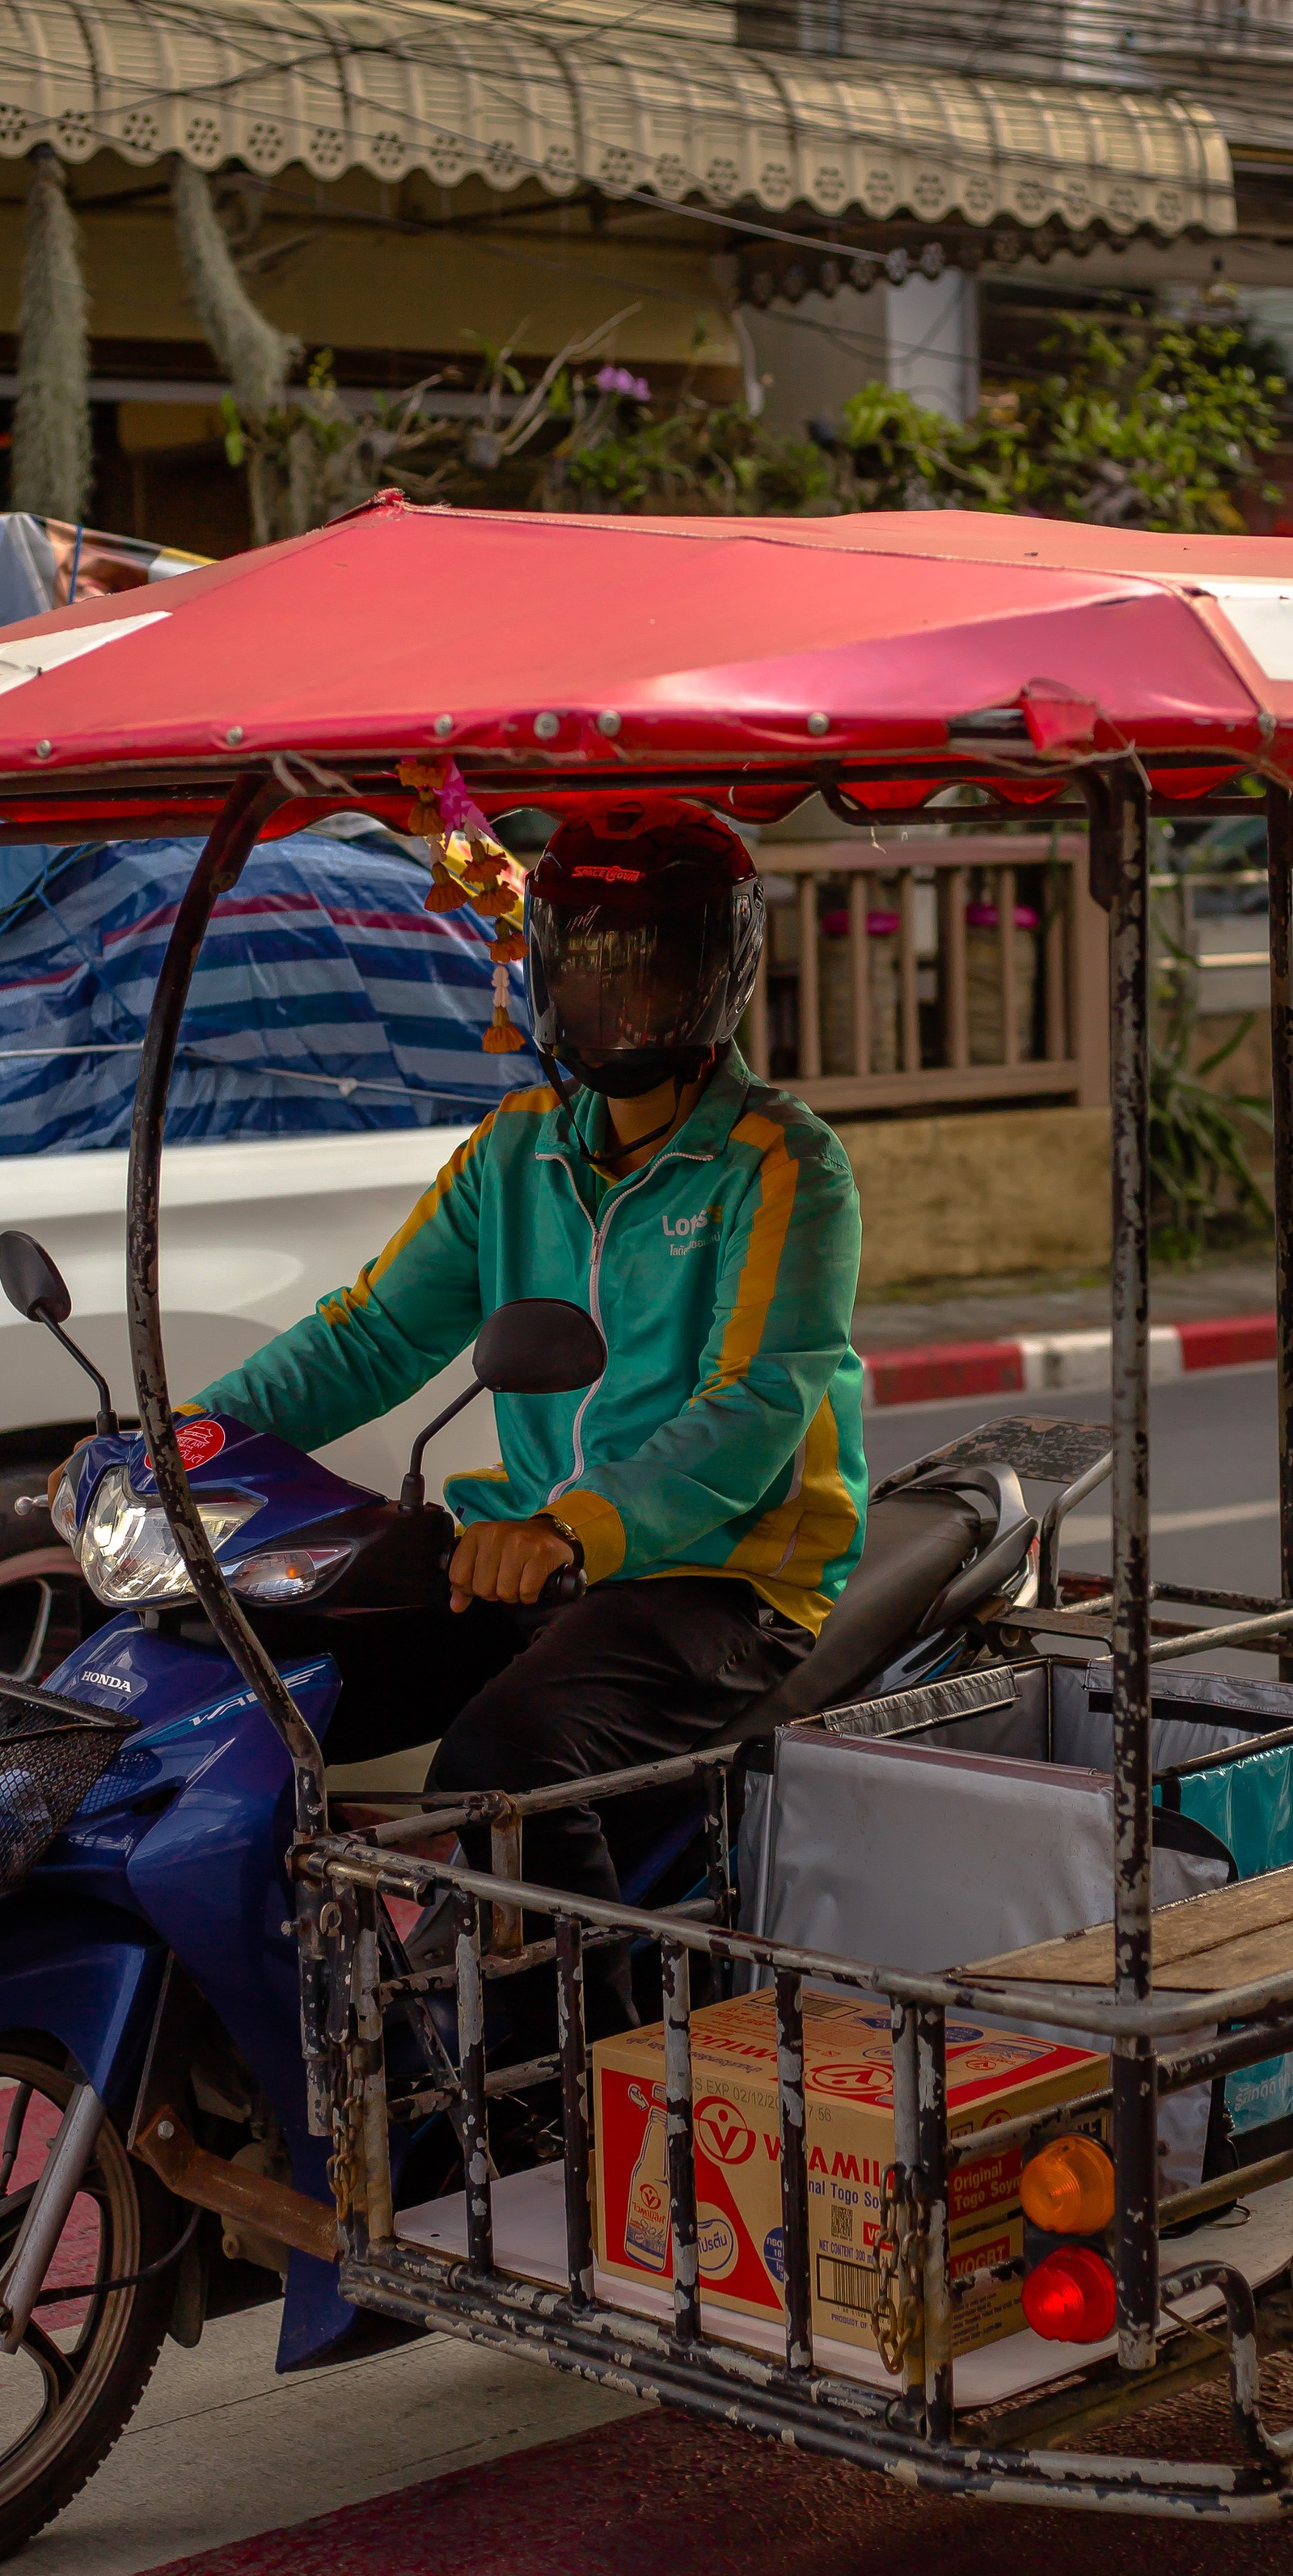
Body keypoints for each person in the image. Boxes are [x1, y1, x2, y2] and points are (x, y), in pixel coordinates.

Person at [180, 795, 868, 2015]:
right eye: (596, 972)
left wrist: (569, 1530)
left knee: (501, 1766)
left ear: (720, 978)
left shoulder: (782, 1162)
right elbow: (374, 1334)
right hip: (523, 1562)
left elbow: (758, 1400)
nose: (623, 1007)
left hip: (721, 1583)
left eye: (655, 972)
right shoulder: (515, 1150)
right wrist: (190, 1439)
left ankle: (590, 2079)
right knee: (249, 1693)